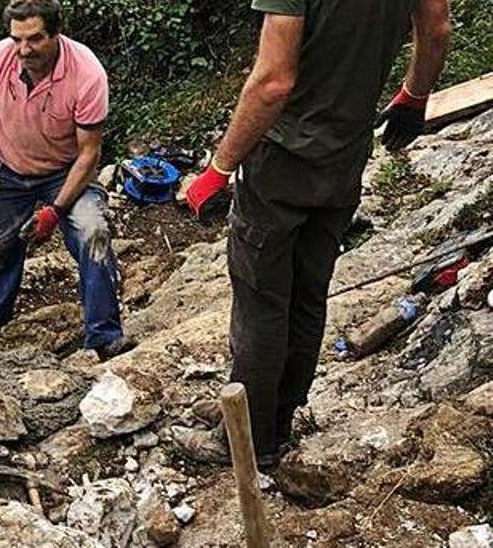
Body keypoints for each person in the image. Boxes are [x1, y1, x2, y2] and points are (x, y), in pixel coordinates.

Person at [174, 0, 452, 465]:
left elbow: (273, 82)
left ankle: (247, 441)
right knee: (307, 294)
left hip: (282, 159)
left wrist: (218, 169)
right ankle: (276, 418)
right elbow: (437, 26)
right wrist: (415, 95)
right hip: (345, 154)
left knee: (262, 300)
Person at [0, 0, 134, 360]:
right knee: (0, 247)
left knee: (93, 232)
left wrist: (56, 210)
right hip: (9, 167)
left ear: (56, 33)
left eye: (34, 39)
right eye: (16, 39)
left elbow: (89, 153)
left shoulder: (87, 73)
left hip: (65, 172)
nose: (23, 50)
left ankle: (104, 335)